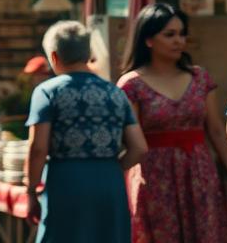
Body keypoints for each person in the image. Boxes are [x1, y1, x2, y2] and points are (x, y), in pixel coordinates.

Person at [118, 3, 227, 243]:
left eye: (182, 33)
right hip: (153, 178)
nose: (179, 40)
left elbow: (216, 131)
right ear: (148, 40)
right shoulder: (131, 85)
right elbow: (129, 140)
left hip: (199, 174)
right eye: (170, 34)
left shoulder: (199, 78)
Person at [25, 21, 147, 242]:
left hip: (66, 179)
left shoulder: (47, 92)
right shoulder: (115, 93)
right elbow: (139, 148)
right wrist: (111, 167)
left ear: (53, 57)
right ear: (89, 54)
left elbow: (38, 148)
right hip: (110, 180)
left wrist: (31, 190)